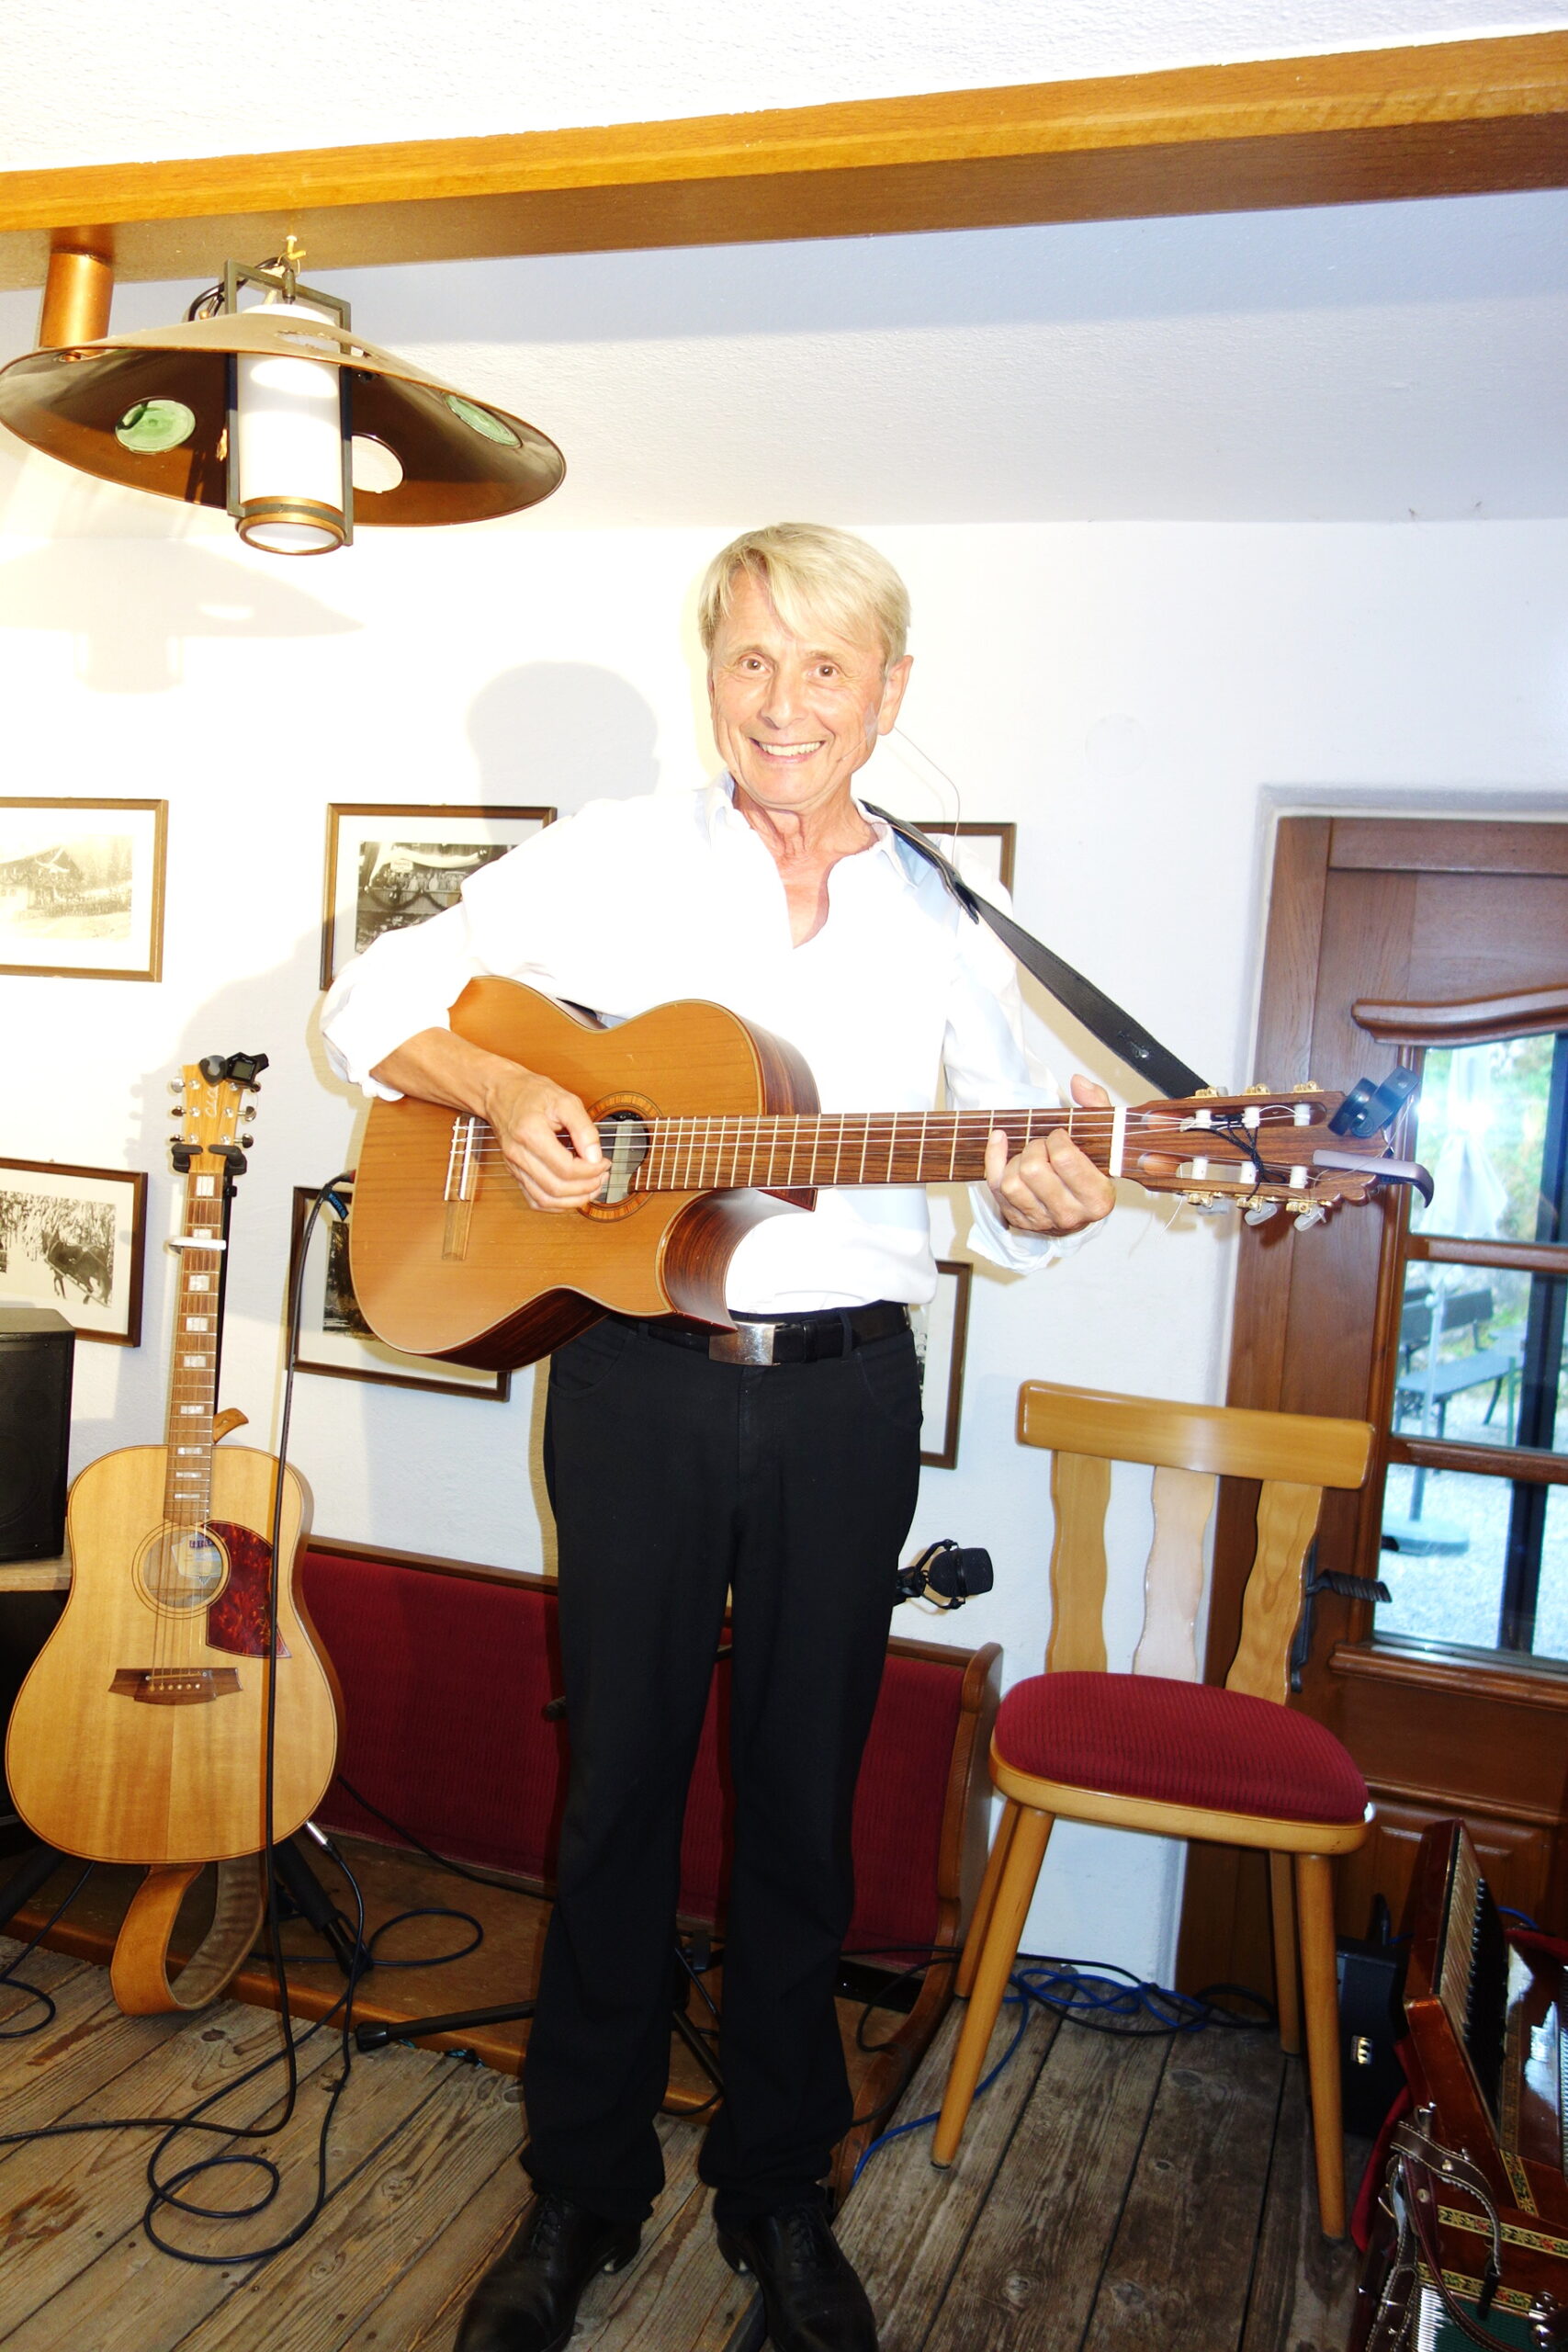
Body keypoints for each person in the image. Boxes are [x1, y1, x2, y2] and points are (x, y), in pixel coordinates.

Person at [321, 523, 1116, 2352]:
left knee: (802, 1798)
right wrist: (509, 1085)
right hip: (637, 1383)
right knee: (613, 1787)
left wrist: (1054, 1201)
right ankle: (580, 2187)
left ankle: (776, 2190)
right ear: (713, 676)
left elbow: (1003, 1180)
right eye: (751, 658)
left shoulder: (949, 919)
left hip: (845, 1395)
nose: (783, 701)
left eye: (824, 666)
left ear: (887, 693)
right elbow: (369, 1008)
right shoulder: (611, 854)